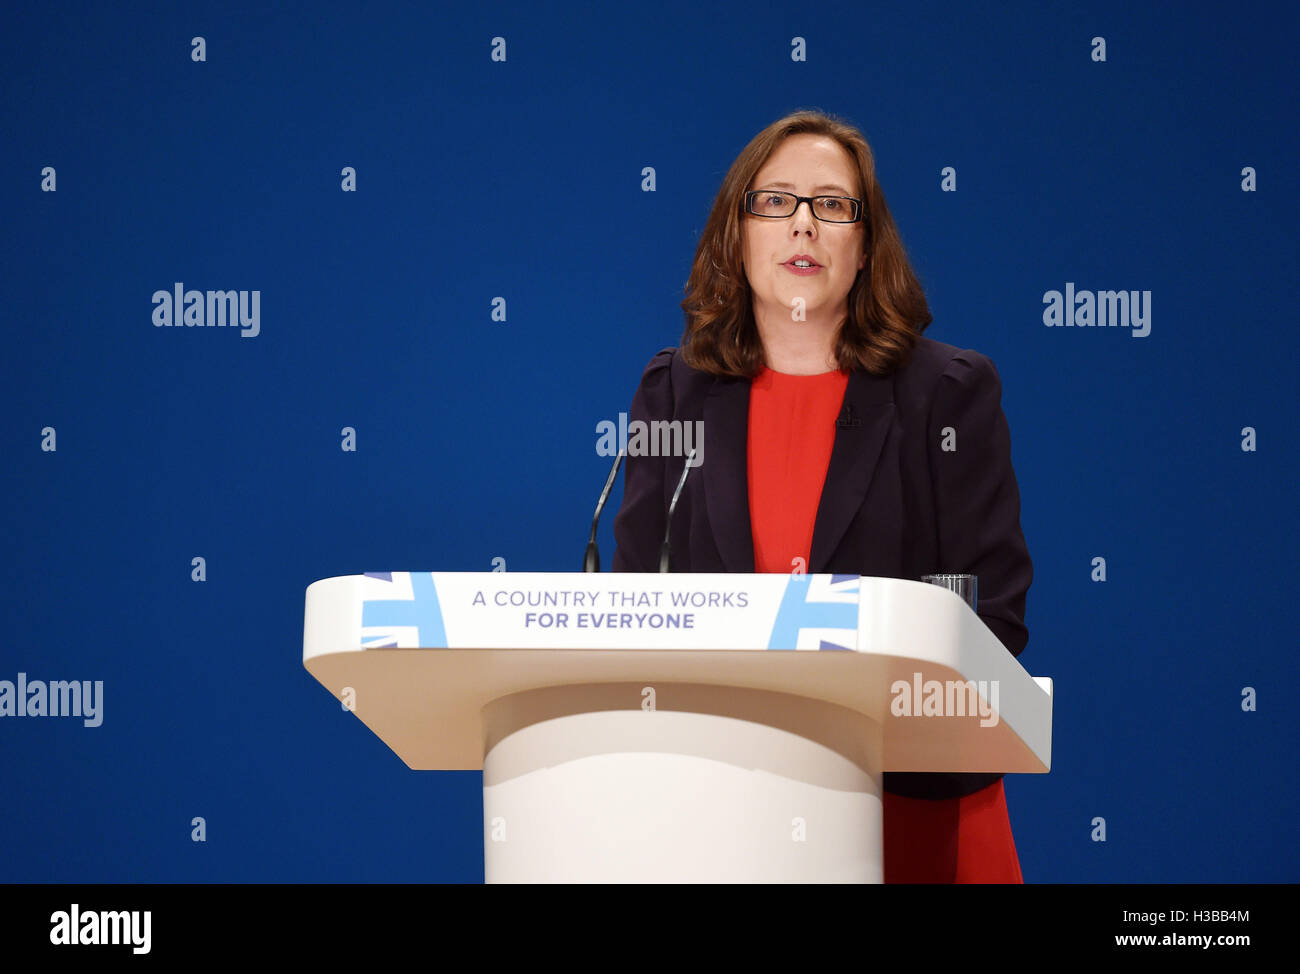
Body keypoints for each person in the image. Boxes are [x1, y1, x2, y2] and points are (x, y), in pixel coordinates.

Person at [610, 109, 1034, 883]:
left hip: (915, 812)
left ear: (865, 245)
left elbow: (992, 624)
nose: (803, 225)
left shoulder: (947, 394)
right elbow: (634, 607)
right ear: (736, 236)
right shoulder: (672, 393)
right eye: (775, 202)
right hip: (721, 811)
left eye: (832, 205)